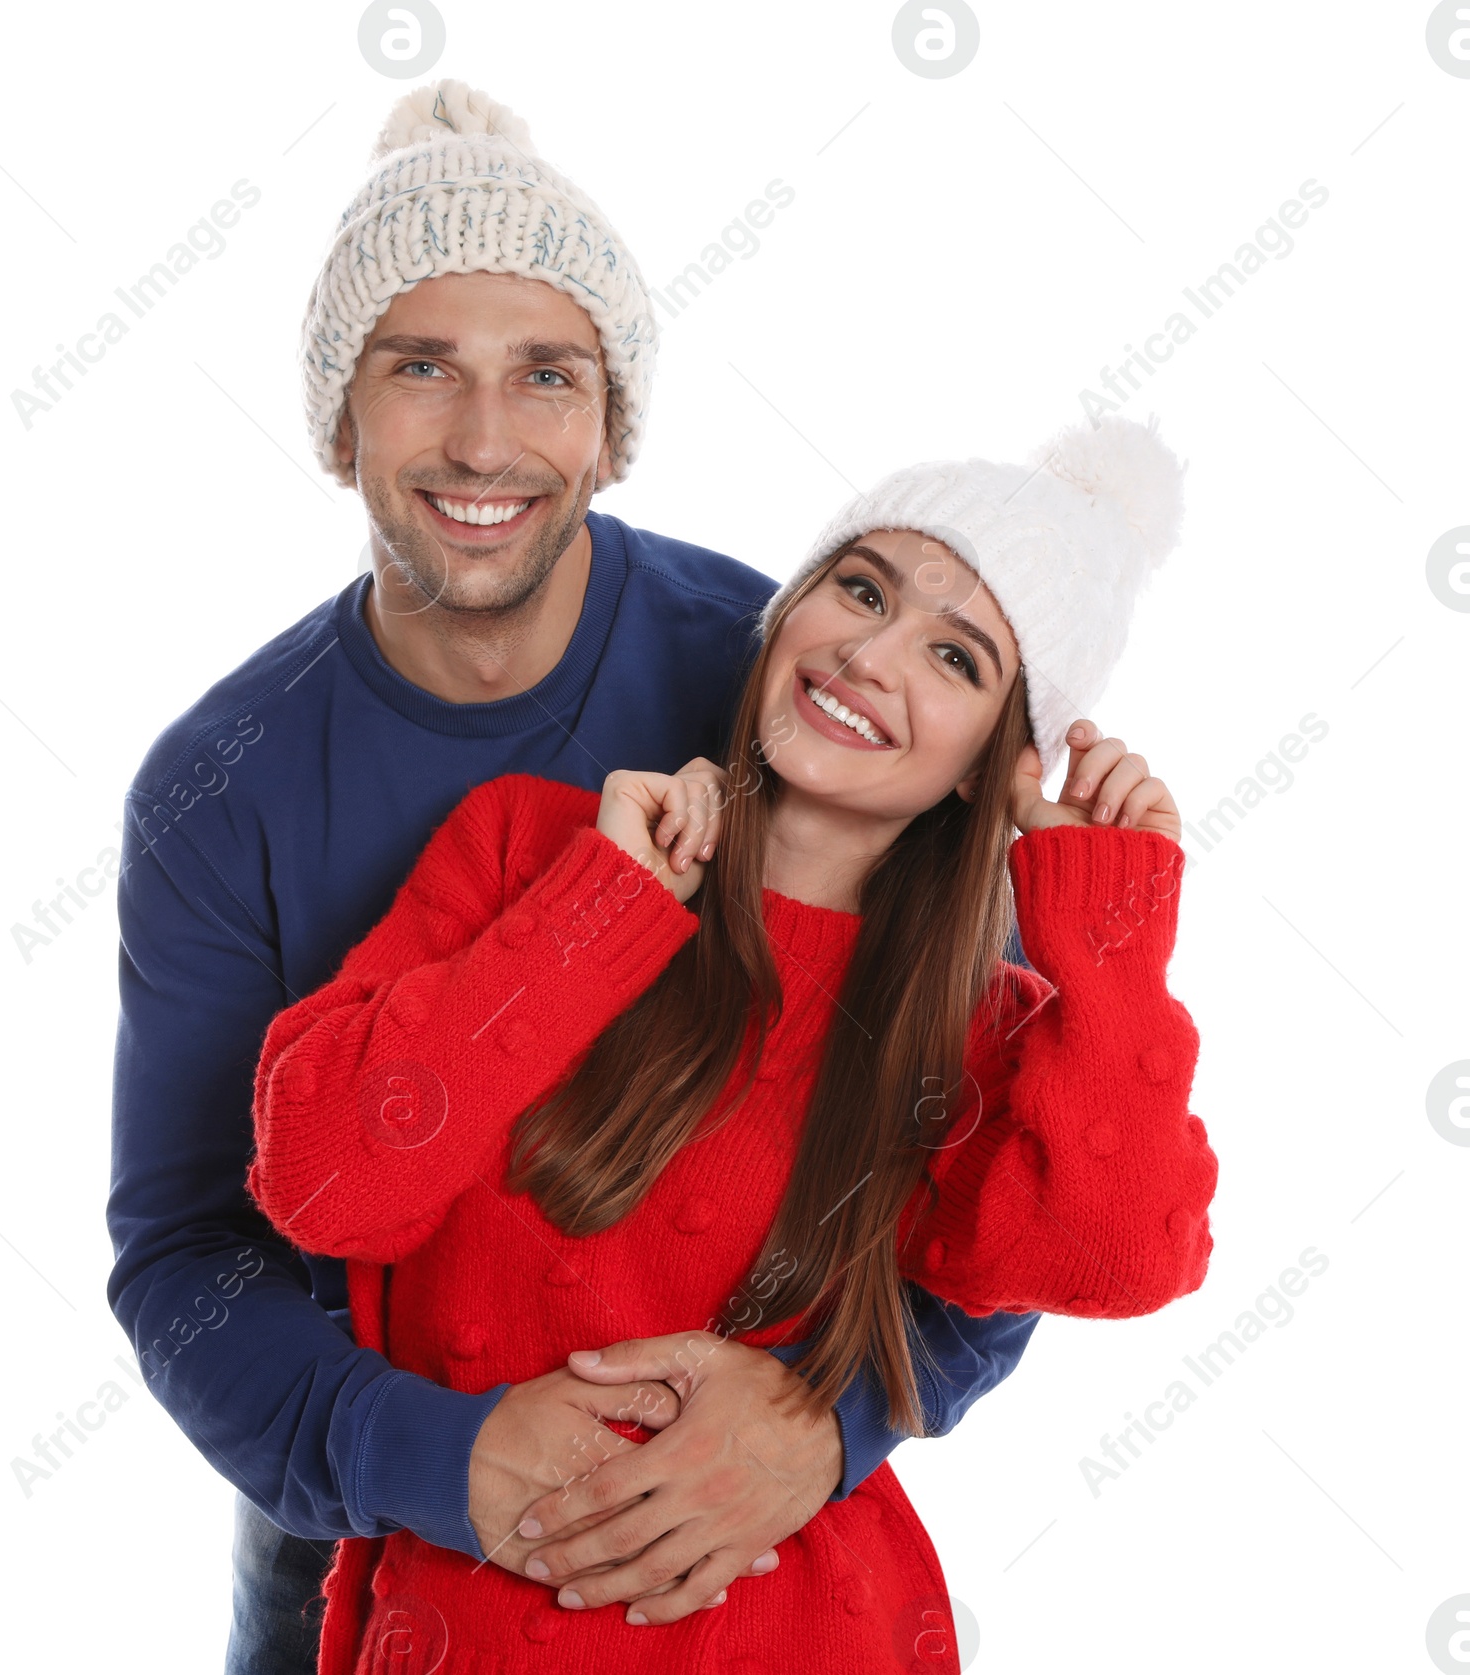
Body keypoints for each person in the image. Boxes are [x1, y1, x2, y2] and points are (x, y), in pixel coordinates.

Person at [104, 78, 1040, 1675]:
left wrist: (826, 1420)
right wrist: (430, 1455)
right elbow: (188, 1252)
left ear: (611, 423)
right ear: (340, 421)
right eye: (421, 369)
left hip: (738, 1487)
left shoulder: (788, 684)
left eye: (548, 374)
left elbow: (982, 1156)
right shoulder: (221, 786)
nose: (485, 439)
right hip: (367, 1483)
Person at [247, 412, 1220, 1673]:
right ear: (787, 613)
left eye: (955, 657)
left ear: (997, 766)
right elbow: (323, 1179)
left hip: (807, 1627)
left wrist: (1109, 929)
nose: (870, 654)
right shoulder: (532, 854)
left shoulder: (980, 1038)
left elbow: (1117, 1258)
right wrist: (599, 915)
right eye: (857, 588)